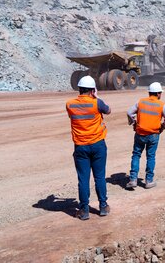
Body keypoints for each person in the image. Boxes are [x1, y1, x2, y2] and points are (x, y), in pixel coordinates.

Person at [65, 76, 111, 220]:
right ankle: (103, 206)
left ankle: (84, 210)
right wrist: (97, 97)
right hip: (98, 145)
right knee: (99, 177)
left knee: (83, 179)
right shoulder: (97, 103)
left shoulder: (69, 104)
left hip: (80, 146)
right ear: (92, 90)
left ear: (79, 89)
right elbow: (108, 110)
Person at [125, 82, 165, 189]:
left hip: (140, 134)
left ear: (149, 92)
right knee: (150, 157)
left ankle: (133, 179)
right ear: (158, 94)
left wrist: (133, 122)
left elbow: (129, 112)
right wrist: (163, 127)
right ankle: (148, 181)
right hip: (154, 135)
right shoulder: (161, 104)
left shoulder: (141, 102)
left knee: (136, 155)